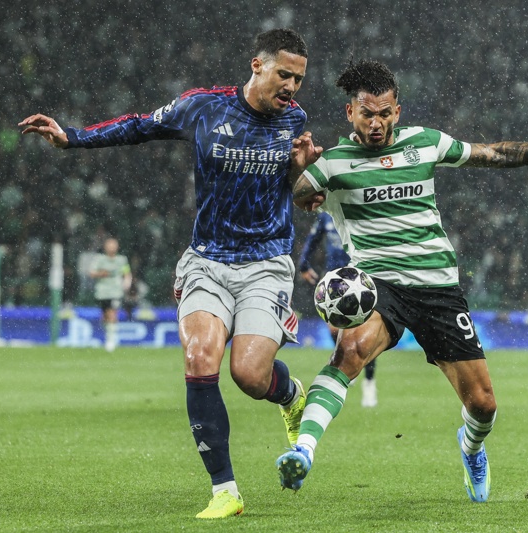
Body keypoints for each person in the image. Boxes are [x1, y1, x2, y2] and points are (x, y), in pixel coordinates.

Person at [20, 28, 319, 519]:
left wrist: (302, 172)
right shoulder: (202, 106)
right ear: (257, 65)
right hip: (208, 259)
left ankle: (289, 394)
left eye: (299, 79)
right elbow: (139, 125)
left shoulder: (296, 121)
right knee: (201, 357)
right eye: (284, 74)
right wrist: (72, 137)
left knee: (247, 375)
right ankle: (225, 490)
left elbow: (297, 190)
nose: (291, 87)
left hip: (266, 262)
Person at [277, 59, 528, 502]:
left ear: (398, 110)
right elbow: (296, 196)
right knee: (349, 352)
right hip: (379, 287)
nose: (378, 123)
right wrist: (298, 170)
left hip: (438, 289)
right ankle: (303, 451)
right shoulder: (331, 165)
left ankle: (471, 448)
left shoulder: (425, 143)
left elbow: (493, 154)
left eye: (386, 113)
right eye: (368, 113)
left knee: (483, 405)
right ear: (350, 114)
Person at [298, 211, 379, 407]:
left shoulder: (358, 209)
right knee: (334, 329)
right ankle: (349, 364)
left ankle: (369, 382)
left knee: (365, 334)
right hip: (334, 278)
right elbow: (313, 238)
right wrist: (303, 264)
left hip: (359, 276)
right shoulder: (326, 215)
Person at [87, 237, 132, 352]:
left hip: (116, 291)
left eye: (114, 245)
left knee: (112, 313)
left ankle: (111, 341)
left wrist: (127, 284)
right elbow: (91, 273)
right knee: (104, 316)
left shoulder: (122, 260)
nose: (112, 247)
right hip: (102, 292)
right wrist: (101, 273)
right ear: (105, 247)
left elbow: (126, 273)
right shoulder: (99, 259)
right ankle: (109, 335)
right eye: (110, 245)